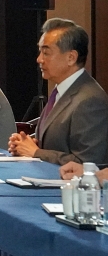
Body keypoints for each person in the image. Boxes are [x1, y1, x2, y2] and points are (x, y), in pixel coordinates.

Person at [9, 18, 108, 166]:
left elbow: (88, 162)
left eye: (46, 53)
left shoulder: (90, 100)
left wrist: (36, 152)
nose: (39, 59)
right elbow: (56, 142)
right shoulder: (61, 90)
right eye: (40, 51)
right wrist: (25, 144)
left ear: (71, 57)